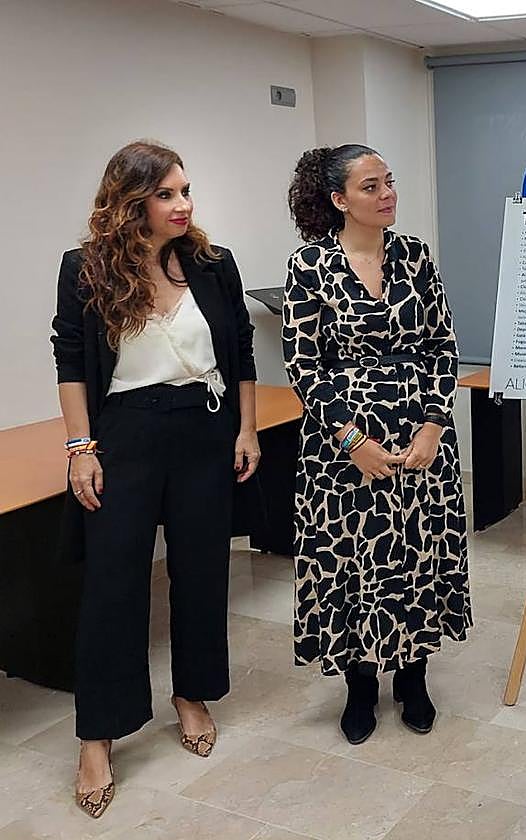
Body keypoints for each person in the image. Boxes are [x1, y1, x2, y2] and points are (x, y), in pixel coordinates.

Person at [50, 140, 260, 818]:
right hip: (126, 435)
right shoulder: (86, 268)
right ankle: (97, 735)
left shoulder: (210, 263)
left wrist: (247, 428)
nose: (184, 205)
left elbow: (242, 355)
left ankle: (191, 695)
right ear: (129, 199)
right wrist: (80, 446)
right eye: (167, 193)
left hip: (204, 426)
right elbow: (73, 359)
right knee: (113, 583)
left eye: (186, 191)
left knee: (201, 570)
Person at [282, 144, 471, 747]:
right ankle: (361, 685)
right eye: (371, 187)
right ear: (339, 200)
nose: (387, 194)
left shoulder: (415, 257)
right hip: (343, 445)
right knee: (354, 564)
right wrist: (351, 438)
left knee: (418, 556)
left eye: (389, 182)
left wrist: (435, 425)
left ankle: (414, 679)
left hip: (420, 432)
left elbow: (443, 345)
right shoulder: (308, 266)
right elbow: (303, 363)